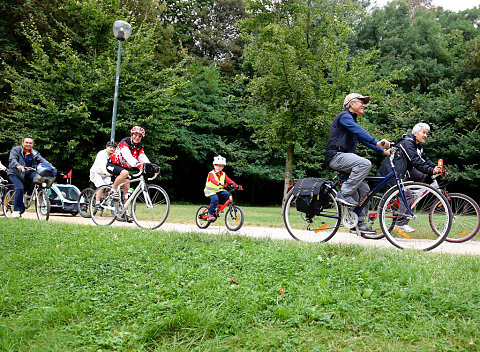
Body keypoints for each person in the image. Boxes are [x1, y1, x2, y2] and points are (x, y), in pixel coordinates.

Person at [324, 93, 390, 234]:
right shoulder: (344, 116)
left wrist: (382, 151)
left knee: (365, 190)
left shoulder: (351, 122)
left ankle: (358, 223)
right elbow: (360, 132)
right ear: (351, 104)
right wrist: (376, 141)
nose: (363, 104)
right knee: (365, 164)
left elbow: (363, 139)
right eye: (361, 102)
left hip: (345, 158)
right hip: (336, 156)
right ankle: (344, 193)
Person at [377, 122, 442, 233]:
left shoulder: (418, 145)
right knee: (407, 195)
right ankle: (401, 223)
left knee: (421, 176)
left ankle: (406, 201)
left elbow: (424, 159)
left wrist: (435, 167)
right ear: (415, 133)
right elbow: (415, 161)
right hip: (392, 172)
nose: (425, 135)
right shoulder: (407, 143)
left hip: (404, 171)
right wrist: (431, 170)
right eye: (423, 132)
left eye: (427, 133)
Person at [7, 137, 54, 218]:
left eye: (30, 143)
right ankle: (16, 211)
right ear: (22, 143)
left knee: (37, 178)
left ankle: (28, 195)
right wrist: (18, 165)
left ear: (32, 144)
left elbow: (42, 160)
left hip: (27, 172)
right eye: (26, 142)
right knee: (20, 188)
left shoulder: (34, 152)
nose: (28, 144)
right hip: (15, 172)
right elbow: (12, 159)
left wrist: (50, 166)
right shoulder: (16, 150)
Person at [107, 126, 150, 201]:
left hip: (123, 168)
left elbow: (142, 157)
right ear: (131, 134)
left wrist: (150, 166)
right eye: (135, 135)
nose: (137, 137)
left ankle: (125, 212)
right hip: (112, 164)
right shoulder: (125, 141)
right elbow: (127, 155)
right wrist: (137, 164)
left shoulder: (139, 146)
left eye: (140, 136)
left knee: (126, 191)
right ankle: (112, 190)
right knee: (125, 173)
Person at [204, 155, 239, 221]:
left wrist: (236, 186)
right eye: (217, 165)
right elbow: (212, 180)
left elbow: (229, 180)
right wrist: (218, 183)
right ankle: (210, 214)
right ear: (214, 165)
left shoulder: (223, 174)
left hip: (218, 190)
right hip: (209, 191)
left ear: (223, 167)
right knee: (215, 199)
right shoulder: (211, 173)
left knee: (226, 193)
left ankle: (219, 206)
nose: (219, 167)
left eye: (221, 166)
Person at [90, 141, 117, 206]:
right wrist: (105, 172)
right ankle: (97, 203)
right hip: (96, 173)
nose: (112, 149)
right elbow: (101, 164)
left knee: (111, 187)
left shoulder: (113, 155)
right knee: (101, 186)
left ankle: (104, 200)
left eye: (113, 148)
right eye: (110, 147)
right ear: (107, 147)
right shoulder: (102, 154)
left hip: (105, 174)